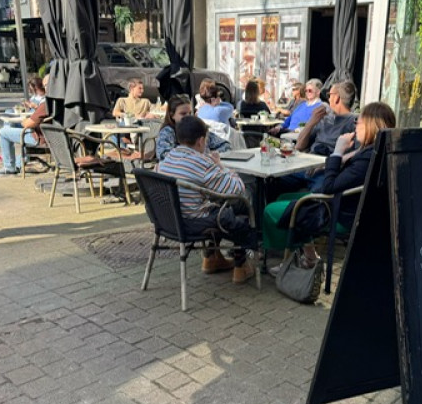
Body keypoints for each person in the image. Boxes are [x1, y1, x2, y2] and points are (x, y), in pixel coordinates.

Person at [263, 101, 396, 268]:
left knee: (270, 210)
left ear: (371, 126)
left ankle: (289, 260)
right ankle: (309, 256)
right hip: (343, 205)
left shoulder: (367, 159)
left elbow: (329, 187)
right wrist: (345, 157)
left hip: (338, 212)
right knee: (284, 197)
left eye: (358, 122)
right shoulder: (378, 152)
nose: (355, 126)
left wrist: (337, 153)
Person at [158, 115, 257, 284]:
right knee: (244, 206)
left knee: (216, 205)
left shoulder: (167, 159)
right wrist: (220, 166)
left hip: (168, 221)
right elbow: (237, 188)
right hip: (193, 223)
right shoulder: (202, 164)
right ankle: (241, 266)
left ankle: (212, 257)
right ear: (201, 141)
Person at [270, 80, 358, 197]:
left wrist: (327, 165)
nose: (328, 99)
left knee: (317, 197)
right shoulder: (324, 118)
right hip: (307, 165)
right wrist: (312, 121)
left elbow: (359, 151)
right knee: (273, 181)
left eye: (329, 95)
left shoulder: (354, 122)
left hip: (326, 170)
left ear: (337, 98)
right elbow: (299, 146)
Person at [0, 75, 51, 176]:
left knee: (3, 132)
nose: (46, 88)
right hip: (46, 134)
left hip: (38, 137)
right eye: (45, 85)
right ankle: (12, 158)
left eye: (47, 85)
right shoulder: (55, 102)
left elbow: (28, 123)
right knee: (9, 122)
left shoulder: (46, 103)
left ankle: (9, 167)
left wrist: (23, 119)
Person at [156, 95, 231, 162]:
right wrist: (195, 158)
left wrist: (211, 155)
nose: (188, 116)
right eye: (183, 114)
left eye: (190, 113)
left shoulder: (196, 128)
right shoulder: (167, 132)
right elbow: (163, 155)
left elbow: (225, 144)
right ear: (172, 115)